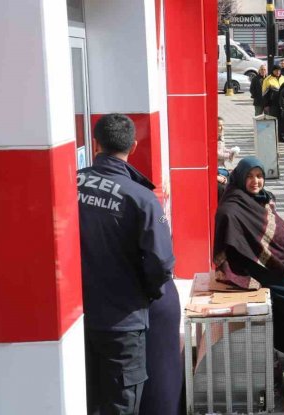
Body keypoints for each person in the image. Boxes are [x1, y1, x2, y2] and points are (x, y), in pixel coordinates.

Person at [78, 114, 176, 414]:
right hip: (122, 323)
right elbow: (161, 264)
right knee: (121, 403)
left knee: (86, 398)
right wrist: (146, 293)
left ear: (95, 143)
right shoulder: (141, 198)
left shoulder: (70, 183)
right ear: (133, 146)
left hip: (76, 320)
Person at [214, 156, 284, 367]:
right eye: (249, 176)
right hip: (257, 270)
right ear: (240, 178)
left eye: (259, 176)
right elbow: (230, 246)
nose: (255, 181)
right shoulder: (231, 208)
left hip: (281, 265)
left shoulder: (265, 198)